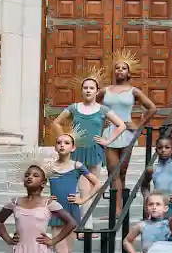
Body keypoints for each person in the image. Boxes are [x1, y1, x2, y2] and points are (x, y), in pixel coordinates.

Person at [51, 66, 126, 226]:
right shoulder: (74, 108)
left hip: (95, 152)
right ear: (81, 90)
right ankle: (86, 225)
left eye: (91, 88)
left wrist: (107, 141)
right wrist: (65, 137)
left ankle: (84, 222)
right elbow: (56, 122)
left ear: (97, 91)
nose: (88, 90)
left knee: (92, 188)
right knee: (83, 189)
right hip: (78, 152)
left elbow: (121, 125)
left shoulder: (102, 109)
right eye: (85, 88)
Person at [97, 50, 157, 219]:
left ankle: (121, 208)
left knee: (122, 173)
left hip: (127, 134)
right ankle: (116, 211)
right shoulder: (105, 91)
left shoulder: (134, 91)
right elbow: (93, 107)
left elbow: (152, 108)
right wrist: (100, 123)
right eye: (117, 68)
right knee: (113, 172)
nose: (120, 71)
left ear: (128, 72)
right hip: (110, 133)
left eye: (123, 68)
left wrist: (138, 125)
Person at [47, 129, 101, 253]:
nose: (62, 145)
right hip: (56, 211)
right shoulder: (49, 167)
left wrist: (82, 199)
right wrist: (46, 199)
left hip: (71, 210)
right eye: (59, 142)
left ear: (73, 147)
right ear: (55, 147)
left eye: (66, 143)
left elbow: (97, 183)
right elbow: (36, 187)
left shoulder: (77, 166)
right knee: (61, 252)